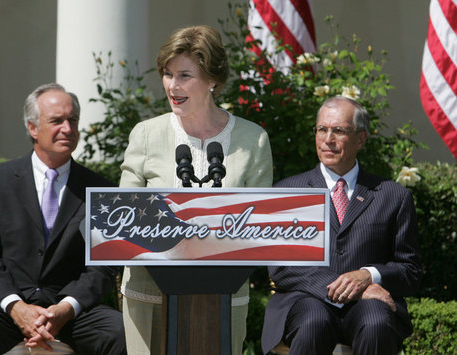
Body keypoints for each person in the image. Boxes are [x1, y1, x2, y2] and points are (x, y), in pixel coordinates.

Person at [120, 25, 273, 354]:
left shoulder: (253, 139)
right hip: (148, 293)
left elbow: (262, 224)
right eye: (167, 73)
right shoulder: (146, 135)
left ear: (213, 80)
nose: (173, 86)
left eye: (185, 75)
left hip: (224, 296)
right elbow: (123, 217)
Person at [0, 83, 126, 355]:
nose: (68, 129)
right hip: (5, 306)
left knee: (118, 331)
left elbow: (102, 267)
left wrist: (66, 308)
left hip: (70, 310)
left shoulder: (99, 189)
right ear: (33, 128)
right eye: (56, 121)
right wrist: (16, 307)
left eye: (73, 120)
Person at [261, 96, 422, 355]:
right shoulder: (288, 192)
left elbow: (410, 271)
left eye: (338, 130)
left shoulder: (393, 196)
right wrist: (349, 286)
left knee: (376, 323)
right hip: (306, 300)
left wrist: (369, 276)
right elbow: (282, 267)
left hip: (369, 305)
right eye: (322, 129)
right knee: (313, 322)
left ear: (361, 139)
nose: (328, 139)